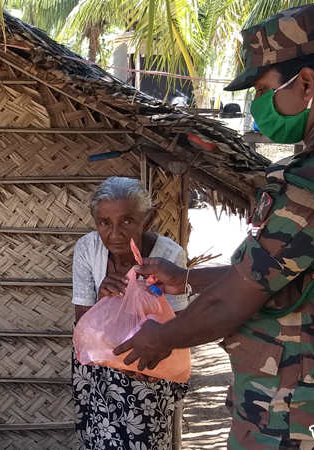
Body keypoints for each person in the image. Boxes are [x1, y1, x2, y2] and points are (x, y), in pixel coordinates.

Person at [113, 4, 314, 449]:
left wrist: (160, 338)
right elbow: (285, 276)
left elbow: (231, 302)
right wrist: (186, 279)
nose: (260, 105)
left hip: (292, 415)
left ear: (306, 83)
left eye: (266, 89)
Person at [72, 176, 188, 450]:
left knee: (144, 439)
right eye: (104, 222)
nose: (115, 234)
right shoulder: (88, 248)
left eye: (127, 221)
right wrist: (102, 298)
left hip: (148, 361)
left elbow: (176, 324)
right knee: (97, 438)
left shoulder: (169, 255)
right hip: (98, 363)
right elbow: (83, 325)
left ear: (148, 218)